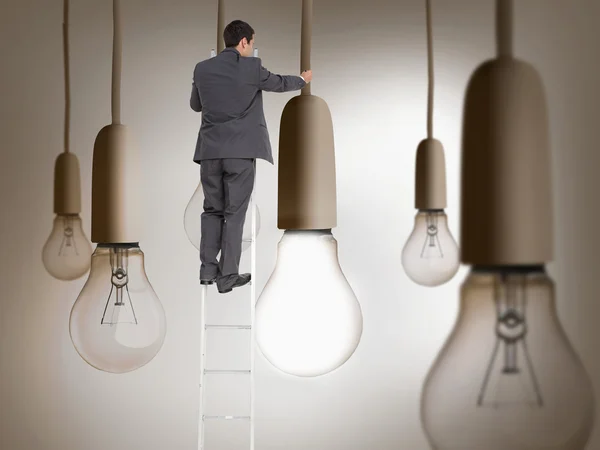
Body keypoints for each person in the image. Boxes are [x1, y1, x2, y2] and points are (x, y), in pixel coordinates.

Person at [190, 20, 312, 294]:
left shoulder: (201, 68)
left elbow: (195, 104)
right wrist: (302, 80)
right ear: (244, 42)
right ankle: (227, 276)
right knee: (234, 214)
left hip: (210, 153)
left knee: (211, 211)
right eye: (251, 42)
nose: (251, 47)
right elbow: (278, 83)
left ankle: (207, 271)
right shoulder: (251, 67)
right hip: (240, 154)